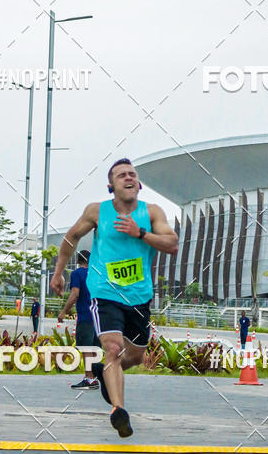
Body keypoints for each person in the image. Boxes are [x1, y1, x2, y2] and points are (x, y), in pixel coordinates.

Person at [51, 158, 178, 438]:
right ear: (111, 186)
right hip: (104, 293)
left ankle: (103, 371)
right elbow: (71, 237)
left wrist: (140, 233)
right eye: (121, 175)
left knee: (133, 356)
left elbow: (172, 244)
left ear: (139, 184)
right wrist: (59, 272)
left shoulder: (152, 212)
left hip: (139, 296)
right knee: (112, 348)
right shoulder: (97, 212)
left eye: (132, 174)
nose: (128, 177)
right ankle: (119, 411)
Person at [57, 250, 100, 391]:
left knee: (86, 348)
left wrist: (64, 311)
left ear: (78, 261)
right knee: (94, 349)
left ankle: (88, 378)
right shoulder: (98, 273)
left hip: (86, 316)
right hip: (99, 317)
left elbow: (75, 294)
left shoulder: (77, 274)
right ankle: (94, 378)